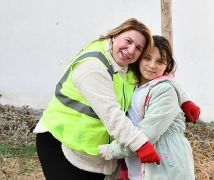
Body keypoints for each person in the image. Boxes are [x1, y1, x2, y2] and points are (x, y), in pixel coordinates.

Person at [33, 18, 161, 180]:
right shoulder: (93, 68)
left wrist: (181, 99)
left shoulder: (123, 64)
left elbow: (153, 77)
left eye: (138, 48)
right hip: (62, 144)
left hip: (91, 152)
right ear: (114, 36)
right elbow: (111, 114)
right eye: (128, 41)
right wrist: (140, 145)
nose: (130, 50)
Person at [99, 35, 196, 180]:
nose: (152, 65)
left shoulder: (165, 91)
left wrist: (115, 149)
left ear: (167, 65)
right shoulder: (132, 85)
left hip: (166, 164)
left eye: (160, 61)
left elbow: (149, 130)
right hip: (137, 163)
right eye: (147, 58)